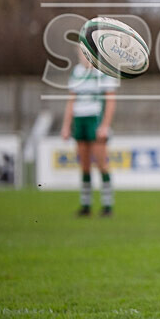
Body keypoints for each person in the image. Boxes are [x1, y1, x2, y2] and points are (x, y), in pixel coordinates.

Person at [60, 49, 117, 217]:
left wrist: (105, 125)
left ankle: (107, 206)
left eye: (86, 53)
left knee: (101, 163)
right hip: (80, 120)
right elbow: (71, 100)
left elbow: (110, 100)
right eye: (81, 53)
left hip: (95, 120)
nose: (83, 56)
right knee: (84, 164)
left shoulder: (104, 72)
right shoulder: (77, 72)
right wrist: (66, 126)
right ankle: (86, 205)